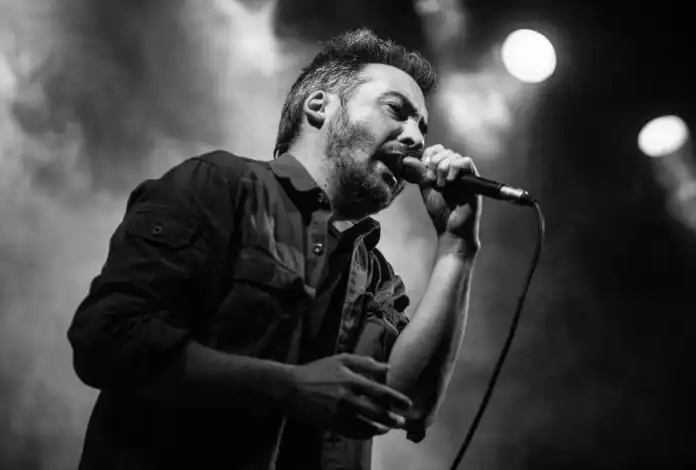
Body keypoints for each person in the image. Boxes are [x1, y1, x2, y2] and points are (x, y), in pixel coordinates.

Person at [67, 27, 481, 470]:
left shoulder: (377, 276)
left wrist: (456, 244)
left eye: (421, 127)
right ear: (319, 106)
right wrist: (290, 387)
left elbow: (411, 405)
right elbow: (107, 338)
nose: (416, 138)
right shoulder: (219, 185)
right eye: (396, 110)